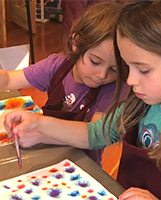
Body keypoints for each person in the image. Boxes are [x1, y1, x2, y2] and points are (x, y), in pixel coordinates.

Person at [4, 0, 161, 199]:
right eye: (127, 68)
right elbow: (95, 134)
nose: (130, 80)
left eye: (143, 70)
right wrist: (40, 125)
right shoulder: (140, 104)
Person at [0, 2, 130, 167]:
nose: (102, 75)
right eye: (95, 62)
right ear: (76, 43)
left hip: (81, 166)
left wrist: (41, 133)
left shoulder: (113, 89)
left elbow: (94, 136)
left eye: (114, 69)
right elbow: (9, 80)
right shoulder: (57, 66)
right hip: (42, 154)